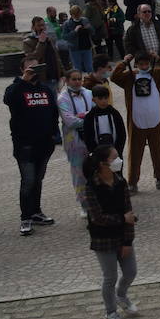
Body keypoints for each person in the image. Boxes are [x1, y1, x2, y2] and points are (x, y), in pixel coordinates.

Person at [81, 145, 141, 319]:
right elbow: (97, 218)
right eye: (114, 158)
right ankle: (110, 313)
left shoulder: (120, 182)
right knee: (110, 277)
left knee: (130, 271)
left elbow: (128, 211)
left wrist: (127, 241)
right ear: (102, 163)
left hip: (121, 235)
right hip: (103, 239)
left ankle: (121, 295)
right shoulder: (91, 187)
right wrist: (122, 219)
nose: (118, 160)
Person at [4, 61, 58, 236]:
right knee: (27, 181)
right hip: (25, 145)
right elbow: (8, 100)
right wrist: (22, 81)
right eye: (29, 67)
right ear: (22, 69)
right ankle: (25, 217)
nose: (34, 70)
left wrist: (53, 136)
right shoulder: (16, 88)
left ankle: (35, 212)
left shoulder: (46, 90)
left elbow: (53, 113)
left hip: (44, 144)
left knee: (38, 179)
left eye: (37, 66)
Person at [111, 52, 160, 192]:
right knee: (135, 153)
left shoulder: (158, 74)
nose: (144, 66)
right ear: (136, 64)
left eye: (146, 63)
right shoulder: (130, 76)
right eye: (141, 64)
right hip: (137, 122)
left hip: (155, 121)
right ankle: (133, 182)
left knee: (158, 151)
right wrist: (124, 62)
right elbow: (114, 77)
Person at [58, 69, 95, 216]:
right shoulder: (62, 98)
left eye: (79, 79)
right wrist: (87, 117)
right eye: (74, 79)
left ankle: (96, 201)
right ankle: (84, 205)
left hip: (90, 138)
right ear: (67, 80)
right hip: (74, 141)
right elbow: (70, 121)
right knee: (79, 174)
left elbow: (95, 111)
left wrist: (82, 116)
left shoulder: (88, 93)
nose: (78, 82)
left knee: (94, 171)